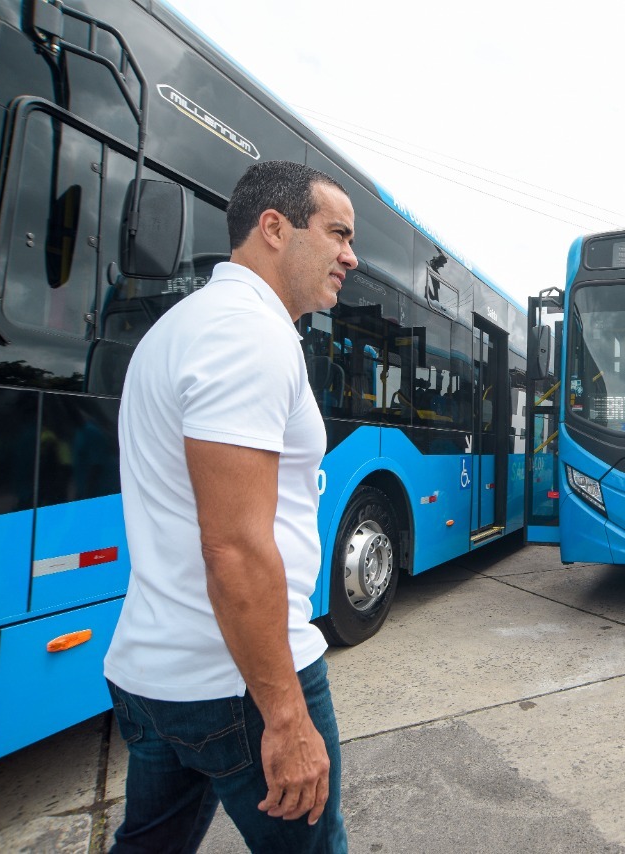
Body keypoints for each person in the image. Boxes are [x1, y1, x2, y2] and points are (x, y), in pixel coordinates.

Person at [104, 161, 357, 852]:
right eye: (337, 233)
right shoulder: (247, 335)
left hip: (155, 673)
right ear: (273, 228)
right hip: (237, 685)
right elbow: (236, 546)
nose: (350, 255)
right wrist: (285, 715)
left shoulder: (183, 326)